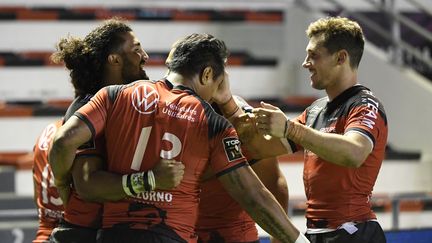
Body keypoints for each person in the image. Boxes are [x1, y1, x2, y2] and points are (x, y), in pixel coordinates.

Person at [49, 33, 309, 243]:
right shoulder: (211, 121)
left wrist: (62, 182)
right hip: (173, 232)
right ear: (208, 75)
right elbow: (253, 194)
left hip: (113, 231)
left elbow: (62, 143)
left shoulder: (114, 95)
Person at [47, 17, 184, 242]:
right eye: (136, 49)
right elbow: (87, 185)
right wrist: (150, 180)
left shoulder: (128, 102)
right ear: (114, 59)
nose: (145, 56)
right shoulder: (87, 106)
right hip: (83, 234)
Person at [252, 17, 388, 243]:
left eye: (314, 55)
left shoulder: (365, 104)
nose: (306, 62)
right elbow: (263, 149)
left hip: (355, 232)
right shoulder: (315, 109)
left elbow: (354, 152)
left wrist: (289, 128)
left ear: (341, 58)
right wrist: (230, 107)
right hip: (316, 234)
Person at [162, 42, 290, 243]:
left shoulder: (239, 115)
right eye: (171, 68)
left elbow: (274, 183)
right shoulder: (162, 107)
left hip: (229, 235)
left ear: (212, 75)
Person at [33, 120, 64, 243]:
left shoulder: (48, 130)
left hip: (44, 233)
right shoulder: (79, 132)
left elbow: (35, 179)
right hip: (70, 233)